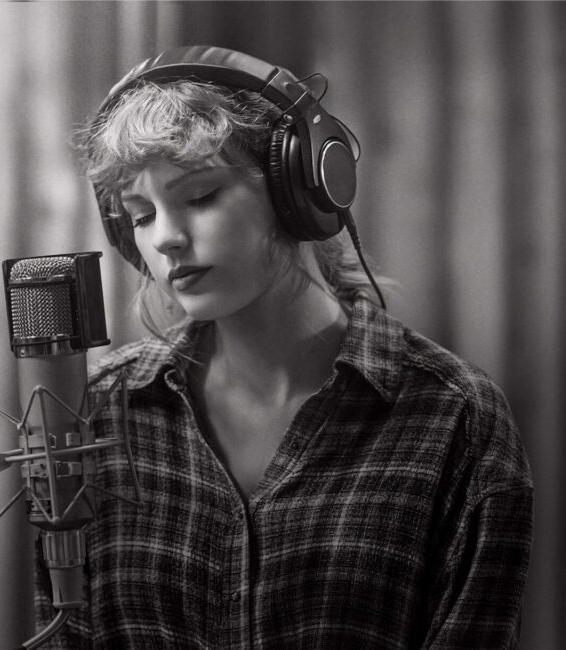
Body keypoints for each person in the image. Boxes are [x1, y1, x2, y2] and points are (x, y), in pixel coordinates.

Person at [34, 46, 533, 649]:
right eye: (140, 216)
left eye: (199, 197)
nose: (165, 239)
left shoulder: (455, 418)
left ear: (302, 186)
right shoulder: (95, 412)